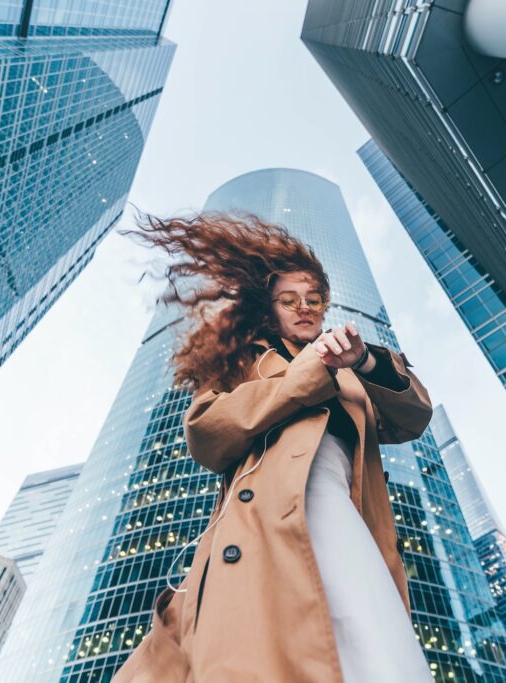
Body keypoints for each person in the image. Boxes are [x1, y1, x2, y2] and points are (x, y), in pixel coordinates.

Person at [112, 213, 434, 682]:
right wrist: (302, 378)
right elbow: (206, 433)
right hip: (261, 527)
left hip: (342, 511)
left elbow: (414, 417)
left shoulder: (351, 372)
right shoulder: (247, 362)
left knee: (370, 640)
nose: (304, 308)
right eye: (289, 299)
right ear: (270, 307)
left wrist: (363, 361)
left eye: (314, 299)